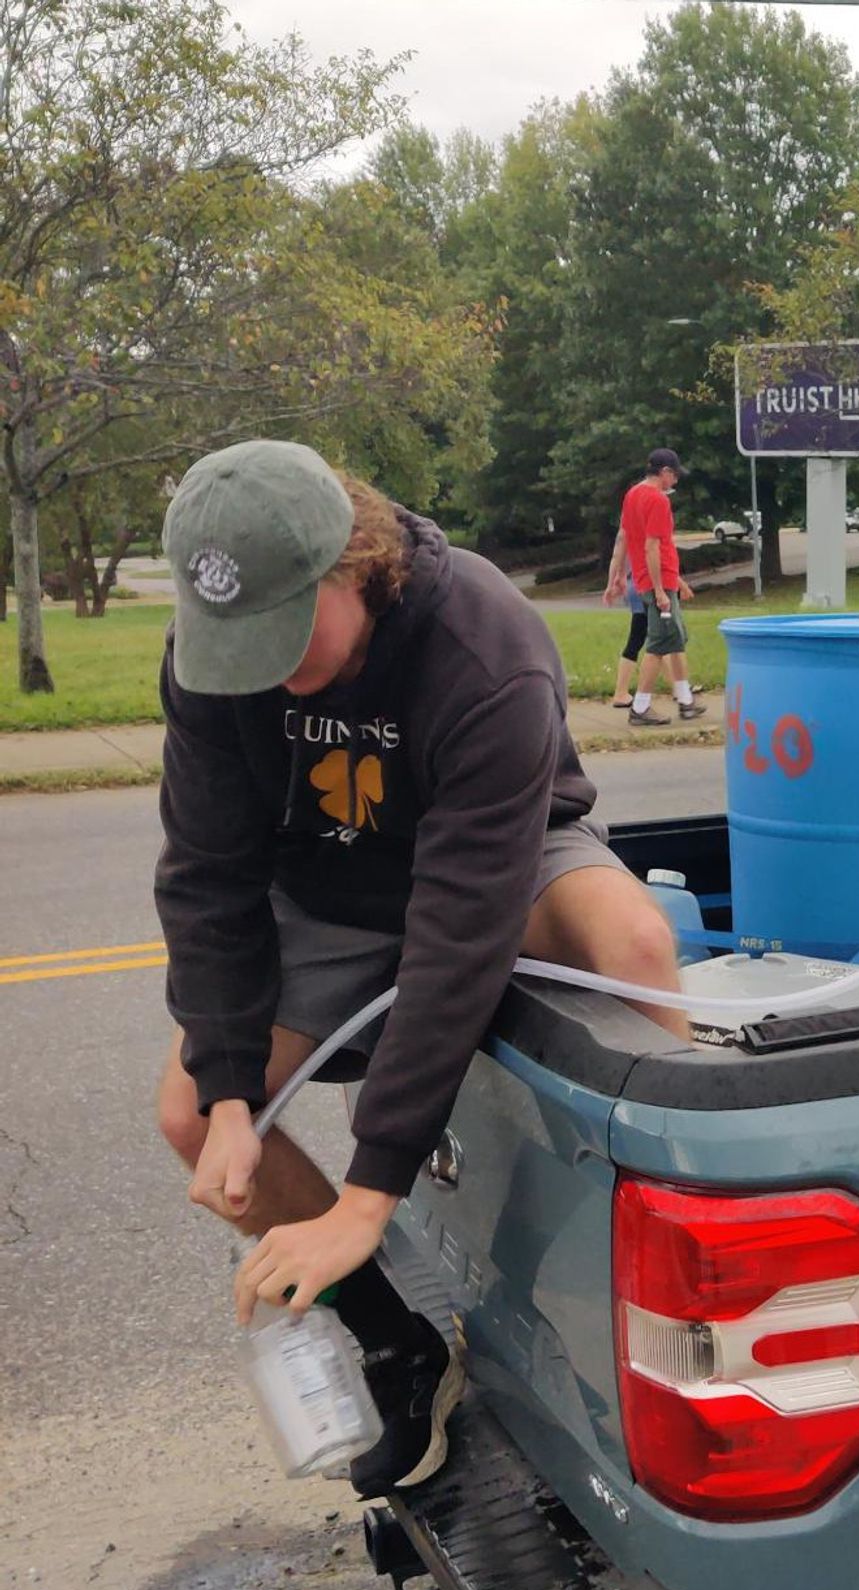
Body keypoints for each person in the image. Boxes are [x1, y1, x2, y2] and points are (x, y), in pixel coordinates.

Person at [153, 438, 690, 1496]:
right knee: (186, 1109)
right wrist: (226, 1091)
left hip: (503, 861)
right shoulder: (215, 655)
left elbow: (459, 928)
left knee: (634, 941)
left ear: (352, 562)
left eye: (283, 633)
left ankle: (662, 1291)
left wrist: (371, 1184)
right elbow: (208, 875)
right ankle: (400, 1347)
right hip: (329, 884)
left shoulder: (484, 646)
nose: (259, 668)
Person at [617, 446, 705, 726]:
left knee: (675, 639)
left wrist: (618, 574)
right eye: (675, 476)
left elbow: (626, 537)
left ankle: (686, 700)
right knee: (657, 646)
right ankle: (640, 707)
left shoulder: (632, 495)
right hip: (658, 583)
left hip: (652, 578)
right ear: (665, 472)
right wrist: (659, 590)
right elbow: (652, 546)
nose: (676, 482)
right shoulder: (657, 500)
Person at [603, 528, 647, 709]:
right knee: (645, 638)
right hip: (642, 585)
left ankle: (680, 687)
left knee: (654, 637)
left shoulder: (626, 529)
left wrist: (613, 583)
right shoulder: (638, 527)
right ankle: (621, 692)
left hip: (634, 584)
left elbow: (616, 557)